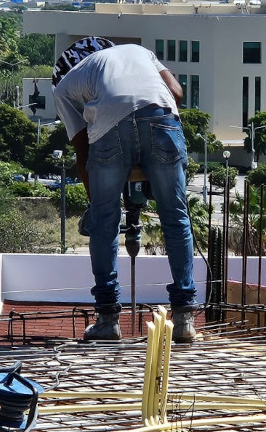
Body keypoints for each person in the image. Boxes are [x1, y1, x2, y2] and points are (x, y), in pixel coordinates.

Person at [52, 36, 197, 343]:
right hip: (161, 115)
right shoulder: (140, 52)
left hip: (109, 125)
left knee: (105, 224)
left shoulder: (65, 86)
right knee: (176, 218)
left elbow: (82, 149)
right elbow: (176, 92)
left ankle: (107, 320)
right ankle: (184, 318)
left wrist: (97, 205)